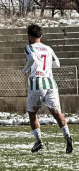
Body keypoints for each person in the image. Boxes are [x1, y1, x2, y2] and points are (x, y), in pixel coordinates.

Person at [22, 23, 73, 154]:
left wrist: (25, 69)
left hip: (37, 82)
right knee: (57, 113)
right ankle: (67, 137)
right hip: (51, 83)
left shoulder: (29, 47)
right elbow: (57, 63)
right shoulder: (48, 48)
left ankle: (39, 141)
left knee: (32, 113)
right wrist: (46, 67)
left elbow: (32, 58)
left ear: (29, 36)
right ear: (41, 35)